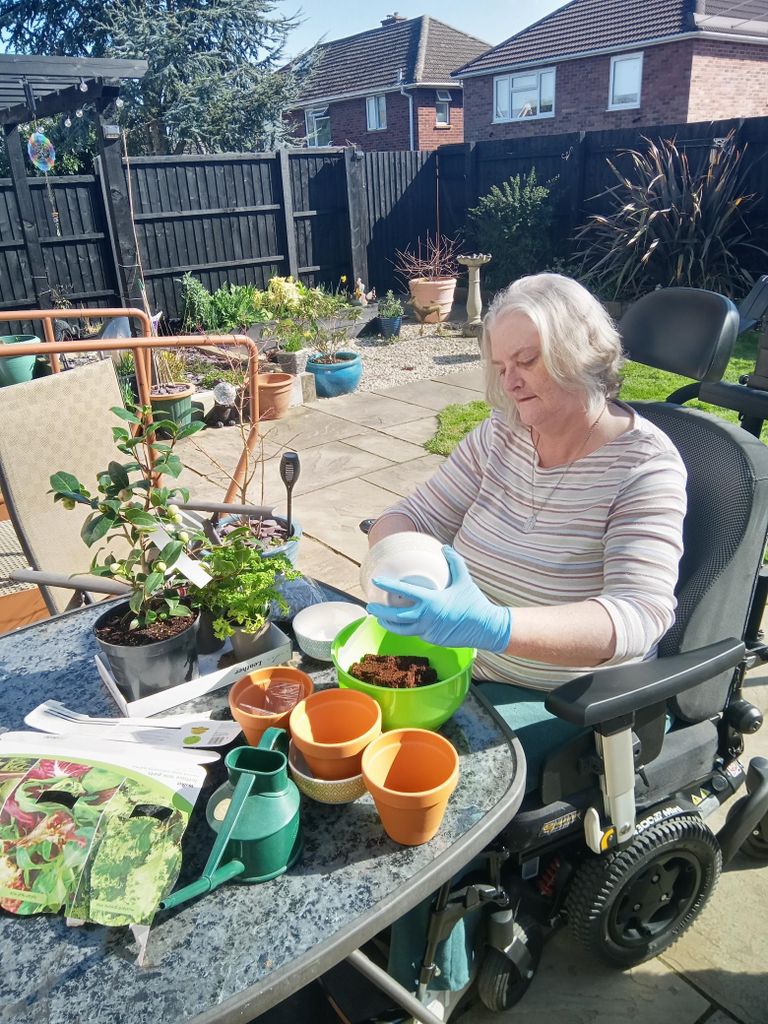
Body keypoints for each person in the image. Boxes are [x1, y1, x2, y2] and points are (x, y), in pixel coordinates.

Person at [365, 272, 688, 1007]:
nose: (509, 381)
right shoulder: (503, 436)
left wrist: (495, 625)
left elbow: (638, 616)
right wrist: (388, 563)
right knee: (347, 735)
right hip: (460, 660)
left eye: (528, 360)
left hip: (560, 693)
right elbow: (410, 512)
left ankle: (422, 987)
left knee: (419, 790)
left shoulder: (646, 466)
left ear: (581, 354)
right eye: (499, 363)